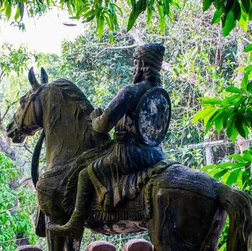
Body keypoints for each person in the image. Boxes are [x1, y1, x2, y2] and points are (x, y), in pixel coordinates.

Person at [48, 43, 167, 237]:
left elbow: (103, 126)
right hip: (154, 154)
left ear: (142, 66)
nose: (133, 68)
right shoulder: (159, 92)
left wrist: (95, 117)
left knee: (85, 173)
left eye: (135, 63)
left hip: (128, 155)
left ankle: (74, 223)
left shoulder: (131, 91)